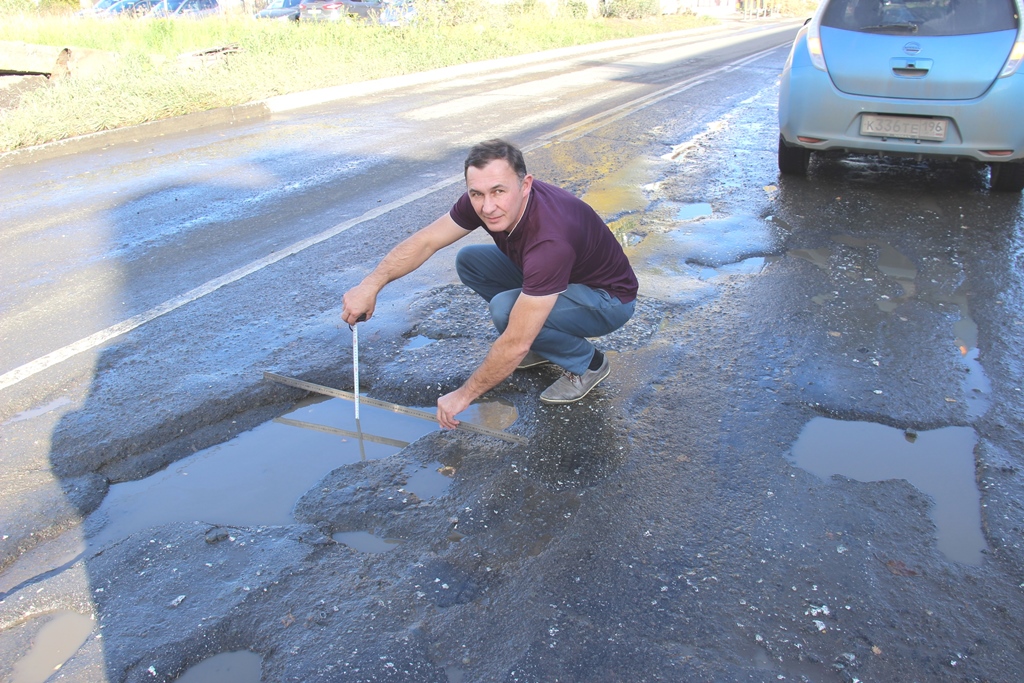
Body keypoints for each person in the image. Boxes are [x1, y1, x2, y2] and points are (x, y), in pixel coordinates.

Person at [341, 139, 638, 430]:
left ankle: (588, 364)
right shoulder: (486, 200)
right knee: (471, 260)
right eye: (477, 194)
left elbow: (514, 343)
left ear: (525, 185)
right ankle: (545, 339)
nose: (488, 206)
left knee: (506, 312)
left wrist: (463, 395)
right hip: (561, 281)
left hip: (608, 300)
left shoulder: (550, 240)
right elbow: (427, 241)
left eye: (498, 192)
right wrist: (371, 285)